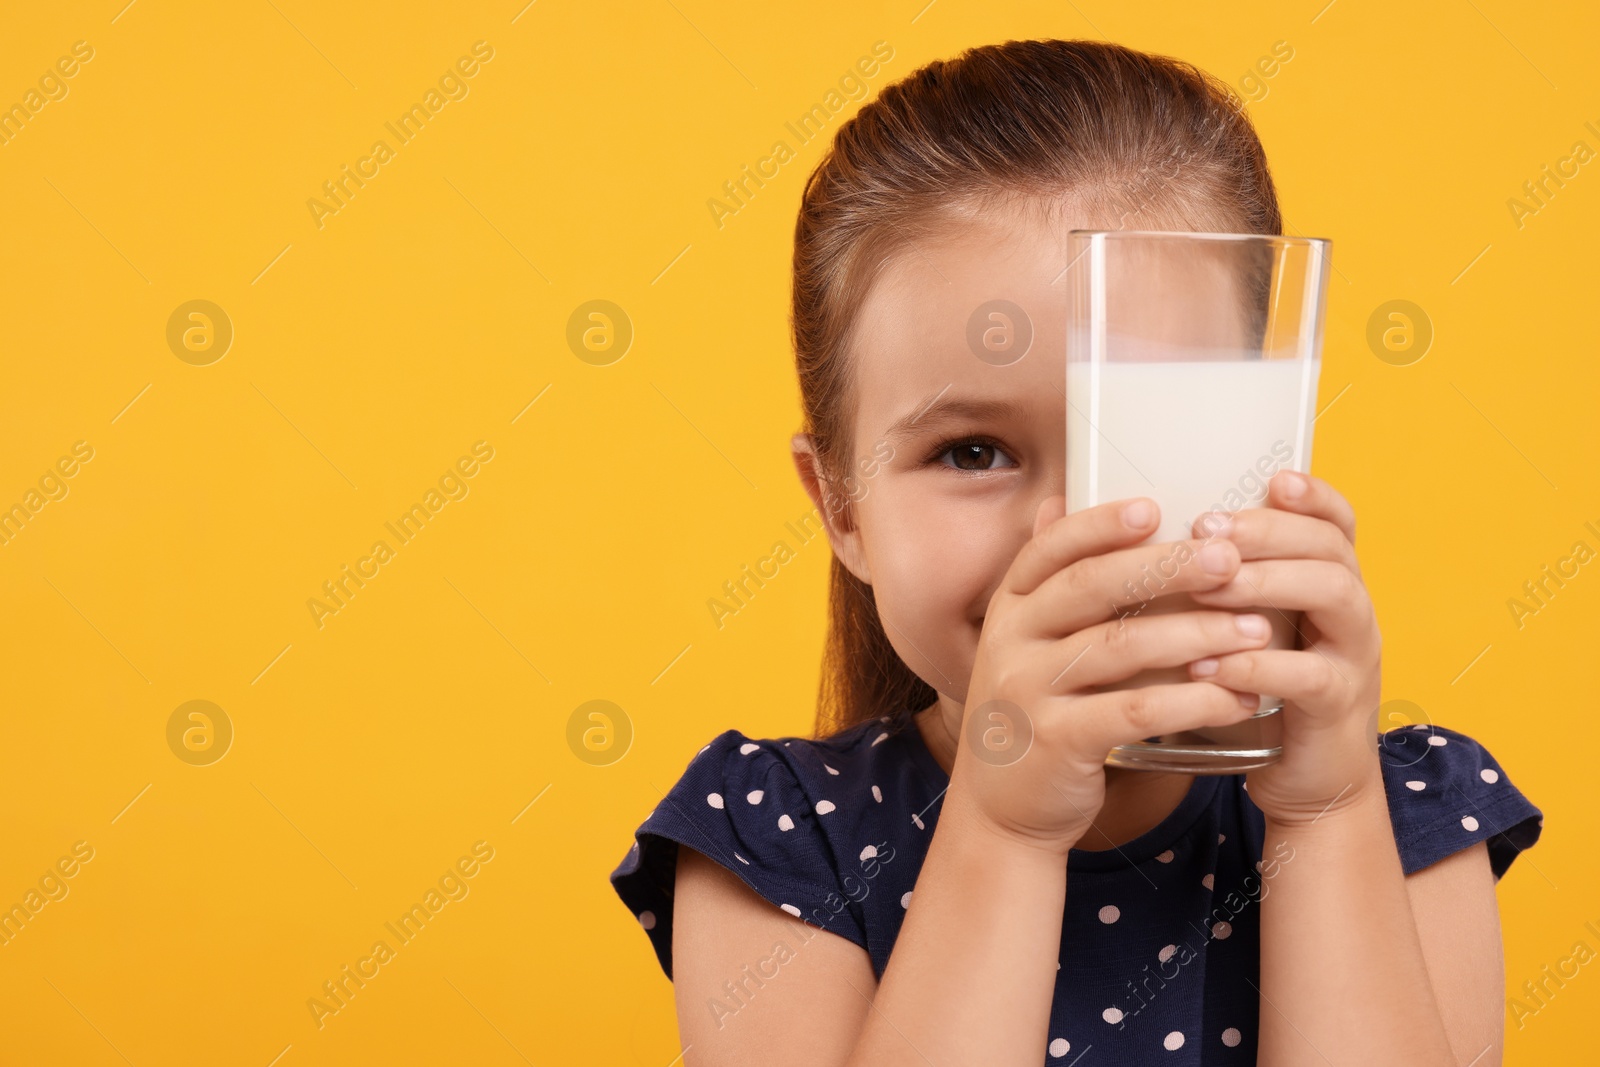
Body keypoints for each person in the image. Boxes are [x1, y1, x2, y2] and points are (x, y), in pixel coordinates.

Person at [609, 38, 1543, 1065]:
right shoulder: (778, 839)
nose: (1065, 533)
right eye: (972, 451)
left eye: (1147, 440)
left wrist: (1325, 814)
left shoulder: (1403, 814)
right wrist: (1004, 830)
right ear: (842, 507)